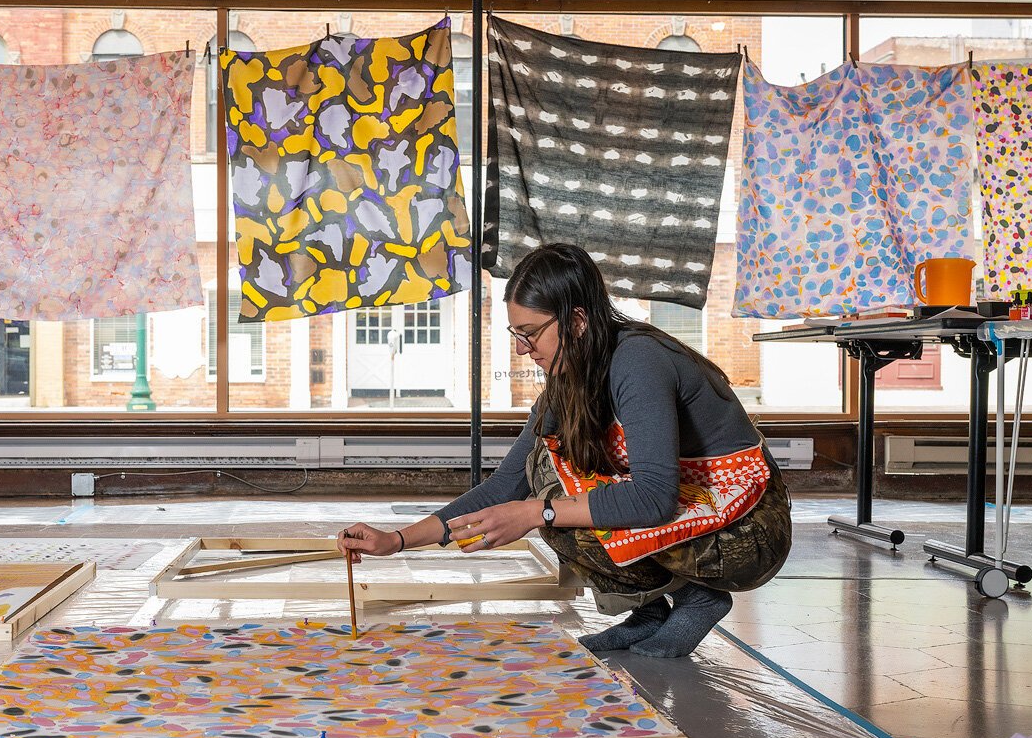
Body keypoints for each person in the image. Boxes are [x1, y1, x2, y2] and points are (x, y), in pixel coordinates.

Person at [337, 243, 792, 658]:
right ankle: (649, 611)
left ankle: (699, 597)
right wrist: (396, 541)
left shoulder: (638, 361)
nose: (522, 350)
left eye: (530, 334)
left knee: (549, 504)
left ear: (576, 321)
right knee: (541, 475)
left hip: (750, 527)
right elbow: (505, 484)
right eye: (517, 335)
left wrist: (537, 512)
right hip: (696, 509)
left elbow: (654, 497)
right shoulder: (569, 376)